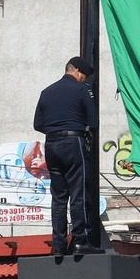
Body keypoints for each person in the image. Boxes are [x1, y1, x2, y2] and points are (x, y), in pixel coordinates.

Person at [33, 56, 102, 255]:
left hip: (52, 145)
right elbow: (93, 122)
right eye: (85, 77)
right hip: (73, 143)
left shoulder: (46, 92)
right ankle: (80, 241)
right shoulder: (82, 90)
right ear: (78, 71)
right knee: (78, 193)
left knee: (59, 197)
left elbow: (38, 124)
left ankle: (59, 245)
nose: (86, 80)